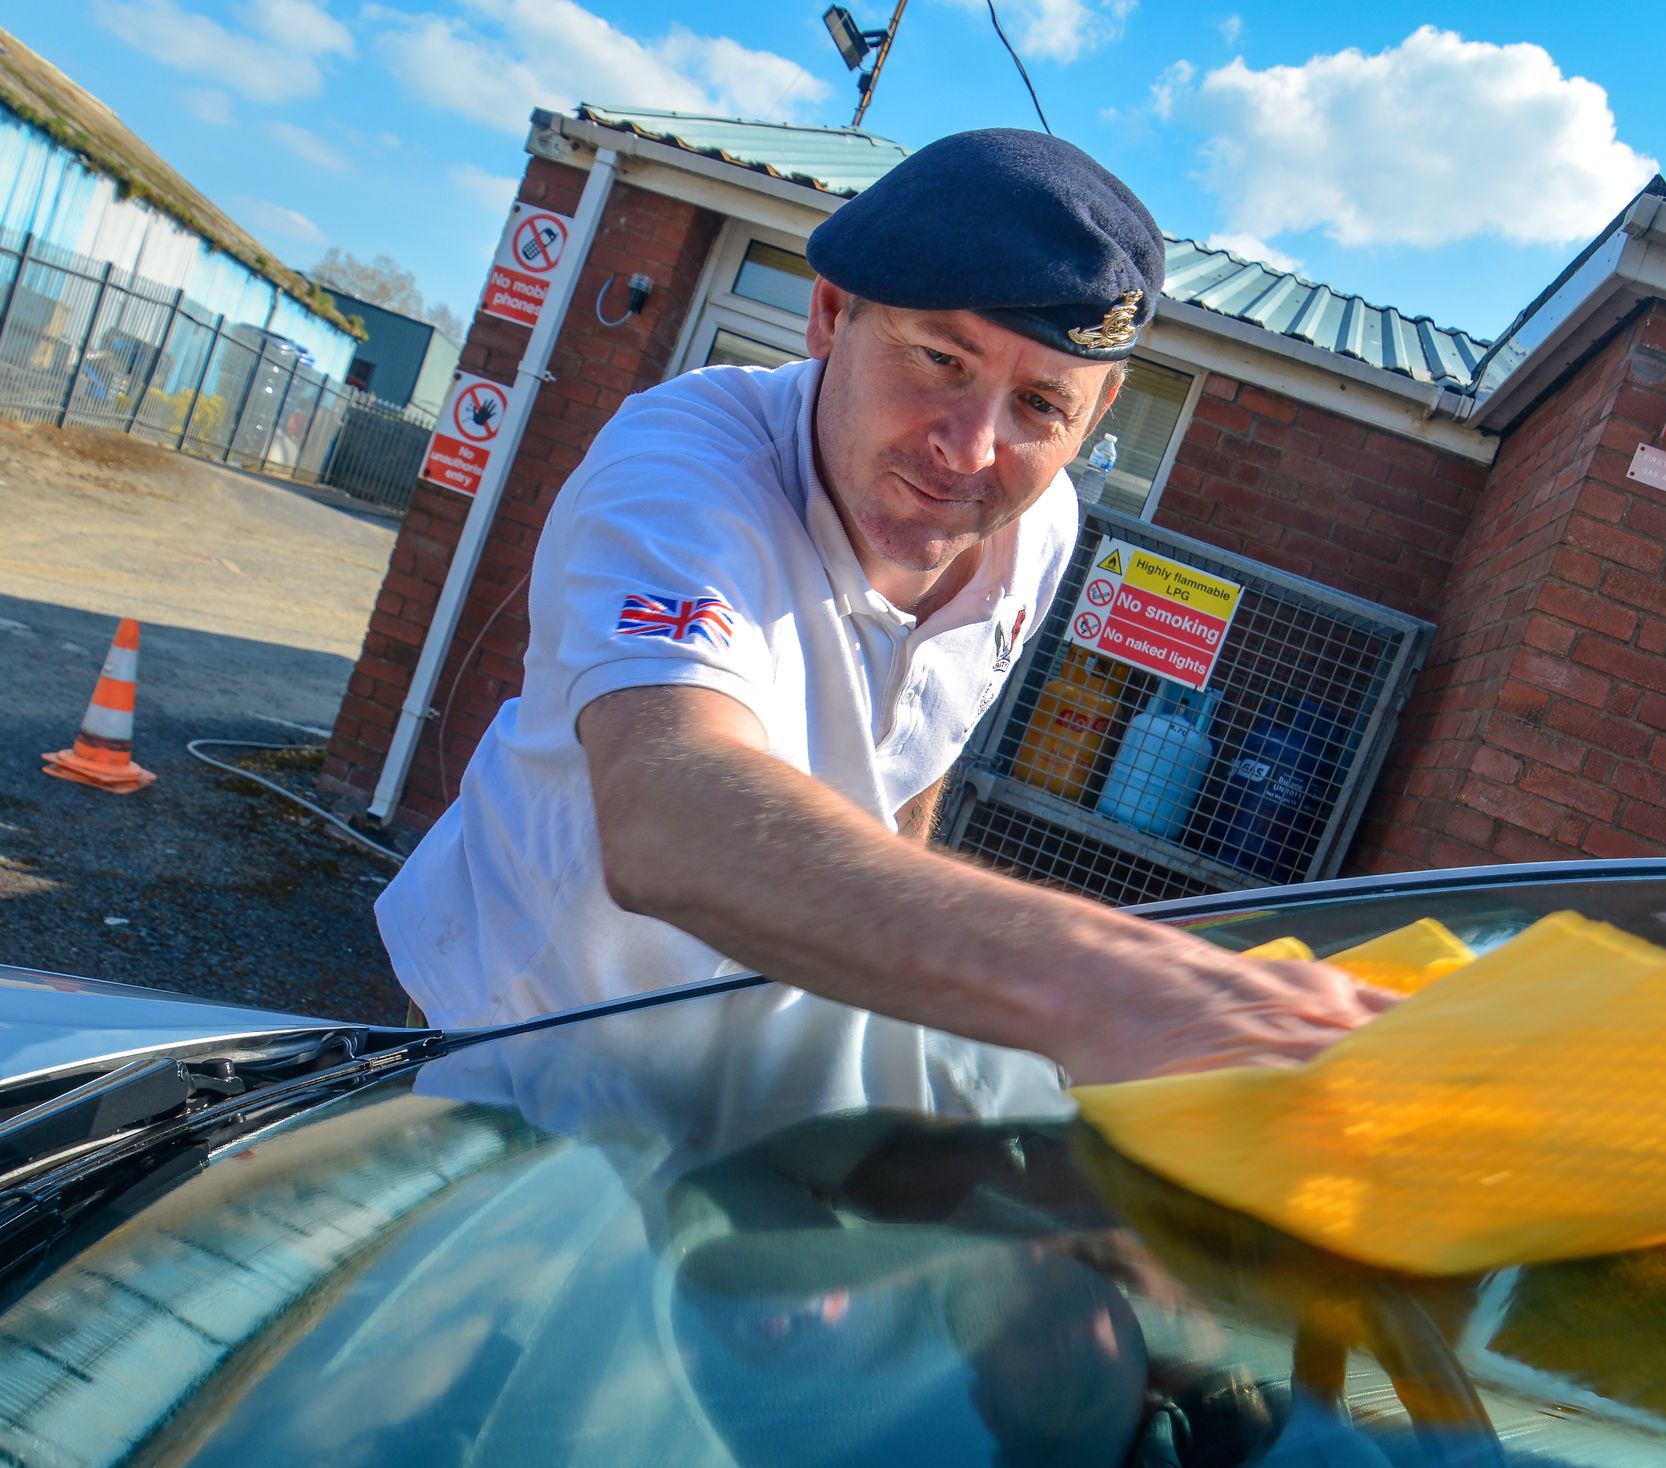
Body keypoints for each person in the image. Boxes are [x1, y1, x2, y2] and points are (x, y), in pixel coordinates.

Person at [376, 127, 1390, 1083]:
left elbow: (911, 769)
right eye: (938, 360)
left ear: (1097, 415)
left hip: (735, 1078)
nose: (972, 449)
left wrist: (884, 1041)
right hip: (518, 1031)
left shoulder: (1039, 527)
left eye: (1041, 405)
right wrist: (1101, 978)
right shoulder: (684, 465)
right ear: (829, 315)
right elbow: (669, 806)